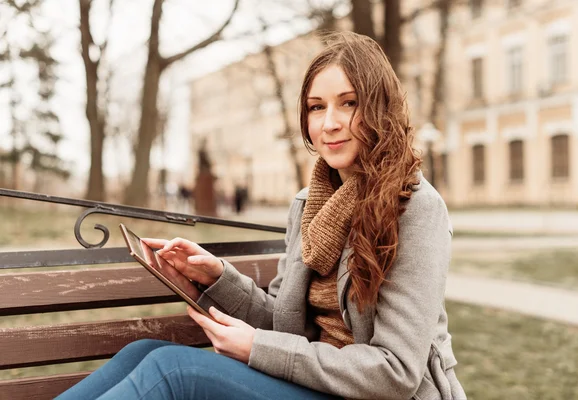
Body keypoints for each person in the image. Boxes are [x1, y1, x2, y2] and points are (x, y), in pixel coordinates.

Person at [56, 31, 466, 400]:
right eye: (316, 107)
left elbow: (395, 373)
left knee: (176, 372)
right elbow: (286, 326)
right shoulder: (310, 204)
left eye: (349, 103)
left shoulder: (414, 207)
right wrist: (216, 277)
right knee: (143, 352)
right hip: (314, 384)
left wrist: (256, 348)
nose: (330, 123)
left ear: (379, 108)